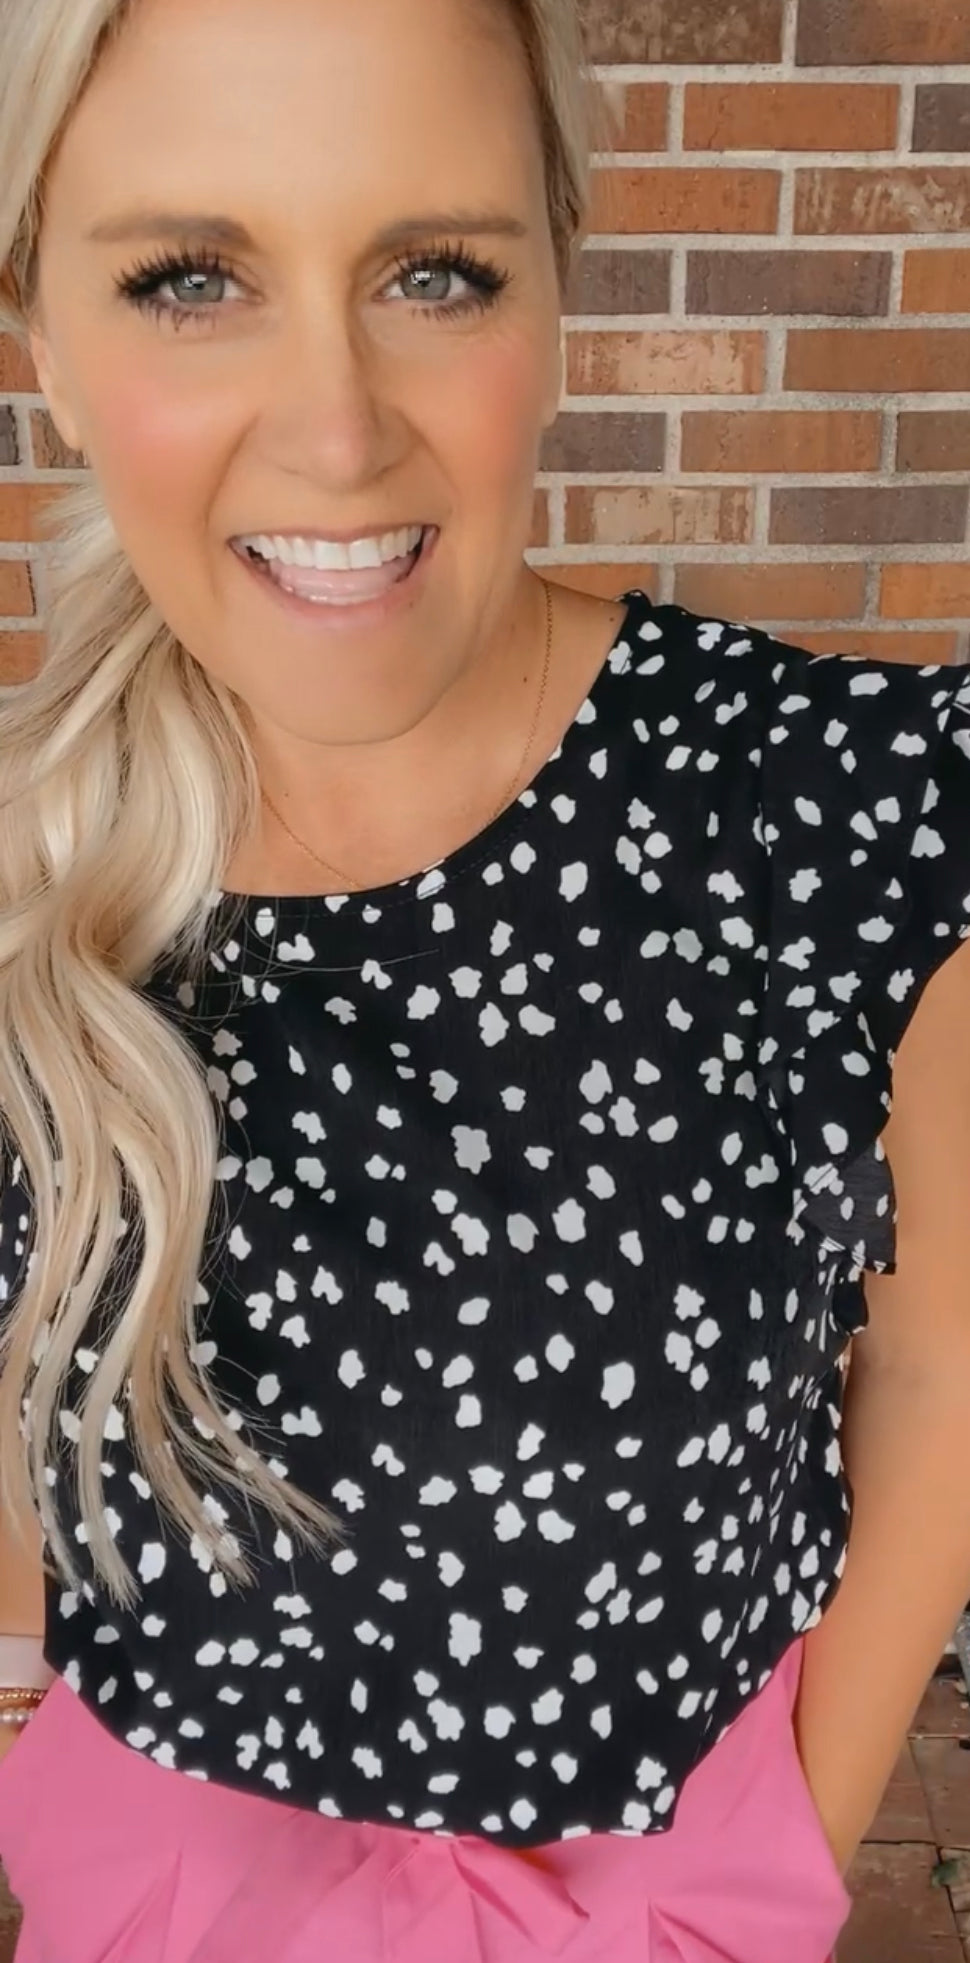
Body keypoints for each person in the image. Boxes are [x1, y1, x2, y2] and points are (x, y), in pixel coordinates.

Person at [0, 0, 968, 1958]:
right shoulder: (41, 855)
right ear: (47, 351)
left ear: (558, 298)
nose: (337, 429)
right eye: (190, 280)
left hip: (664, 1881)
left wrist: (788, 1834)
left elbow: (939, 1361)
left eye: (433, 273)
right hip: (163, 1878)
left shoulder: (841, 807)